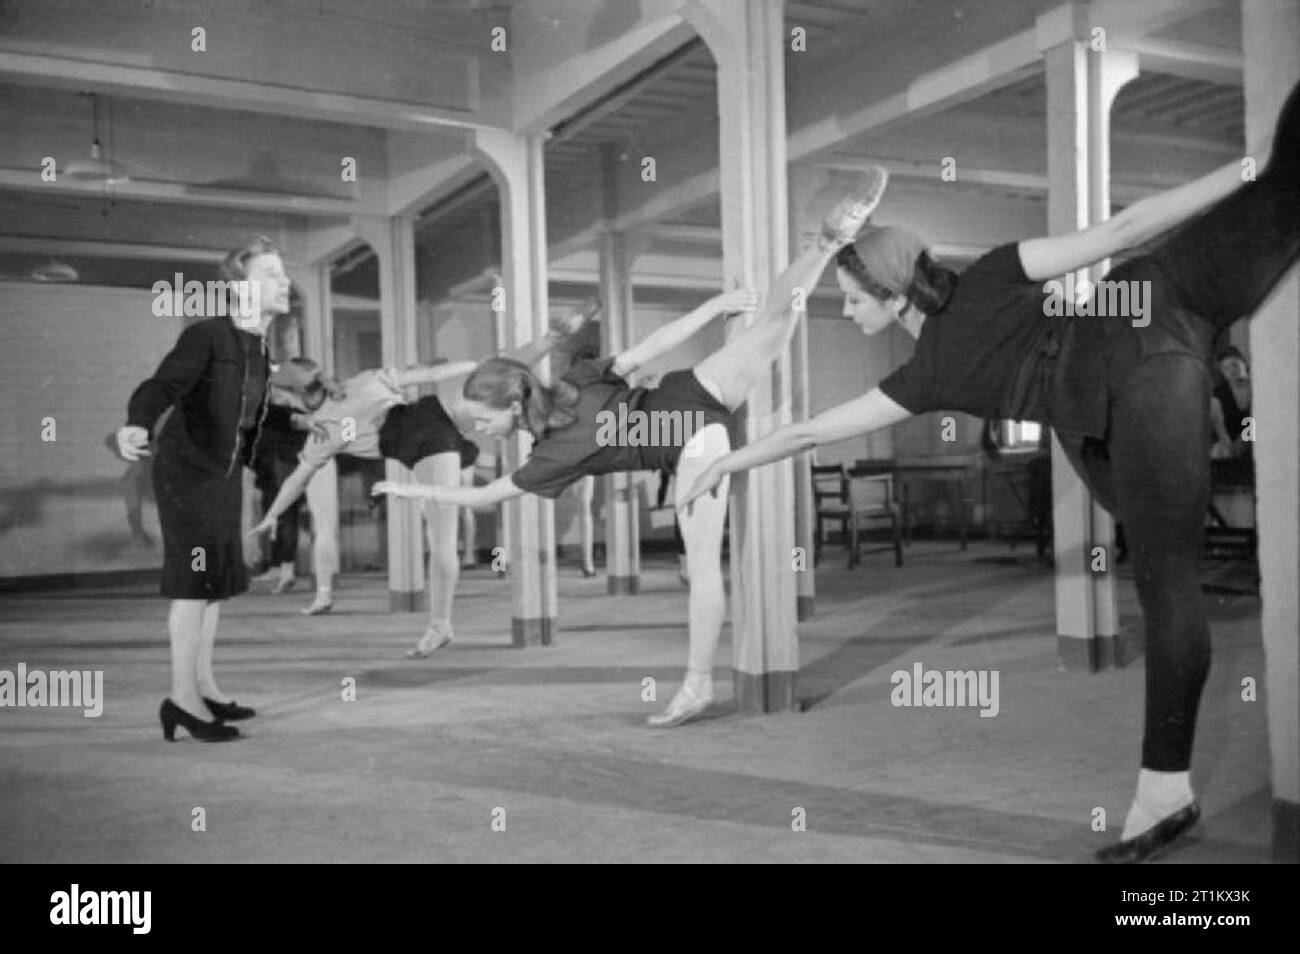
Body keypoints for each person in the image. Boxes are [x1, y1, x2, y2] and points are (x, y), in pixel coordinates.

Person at [684, 81, 1299, 863]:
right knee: (1284, 183)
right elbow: (1125, 230)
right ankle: (1163, 793)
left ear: (890, 289)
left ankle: (1162, 795)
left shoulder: (926, 375)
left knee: (1170, 585)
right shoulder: (976, 298)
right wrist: (1247, 170)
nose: (846, 312)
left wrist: (730, 461)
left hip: (1139, 364)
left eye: (850, 298)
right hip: (1147, 316)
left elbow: (808, 429)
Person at [372, 169, 891, 727]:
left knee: (704, 567)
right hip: (691, 396)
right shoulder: (572, 384)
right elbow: (648, 349)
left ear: (511, 407)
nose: (478, 431)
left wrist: (409, 487)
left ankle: (696, 686)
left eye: (481, 419)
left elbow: (484, 499)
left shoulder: (554, 451)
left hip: (692, 441)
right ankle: (828, 242)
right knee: (773, 323)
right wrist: (713, 307)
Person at [252, 307, 598, 656]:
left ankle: (440, 624)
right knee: (496, 376)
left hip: (422, 444)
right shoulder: (358, 382)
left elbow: (297, 480)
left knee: (442, 538)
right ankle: (551, 343)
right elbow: (429, 373)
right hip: (434, 413)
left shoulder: (323, 429)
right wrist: (469, 367)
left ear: (293, 395)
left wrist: (270, 517)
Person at [115, 236, 291, 742]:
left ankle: (204, 687)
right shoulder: (209, 335)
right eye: (271, 273)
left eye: (284, 273)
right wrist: (136, 423)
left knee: (215, 584)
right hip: (188, 476)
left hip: (224, 475)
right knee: (194, 585)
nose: (284, 282)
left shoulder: (260, 346)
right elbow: (163, 384)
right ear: (240, 287)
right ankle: (181, 701)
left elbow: (244, 419)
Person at [1209, 346, 1252, 460]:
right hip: (1232, 449)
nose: (1232, 370)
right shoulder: (1218, 394)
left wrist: (1245, 437)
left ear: (1244, 363)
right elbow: (1218, 429)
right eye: (1226, 368)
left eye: (1235, 365)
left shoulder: (1260, 384)